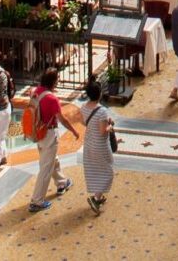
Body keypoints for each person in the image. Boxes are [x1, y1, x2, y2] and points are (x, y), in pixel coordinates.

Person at [25, 67, 79, 210]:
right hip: (48, 134)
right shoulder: (52, 99)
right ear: (54, 81)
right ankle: (36, 201)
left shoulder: (36, 92)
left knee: (51, 160)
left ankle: (62, 182)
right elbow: (62, 119)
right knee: (45, 169)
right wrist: (74, 131)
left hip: (38, 133)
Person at [78, 79, 118, 213]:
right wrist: (110, 126)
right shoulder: (102, 111)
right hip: (100, 145)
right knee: (108, 171)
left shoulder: (83, 107)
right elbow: (103, 131)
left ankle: (98, 195)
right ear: (99, 94)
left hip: (89, 142)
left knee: (95, 169)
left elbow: (84, 123)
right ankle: (96, 198)